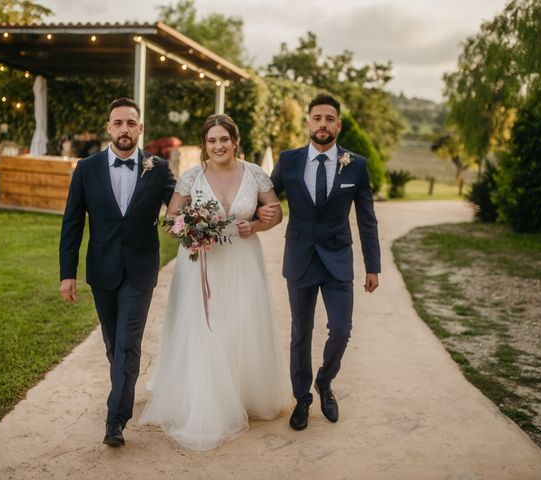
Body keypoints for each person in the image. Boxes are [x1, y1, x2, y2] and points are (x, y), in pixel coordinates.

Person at [139, 114, 290, 450]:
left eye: (224, 139)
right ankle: (205, 399)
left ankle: (241, 392)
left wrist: (258, 225)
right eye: (211, 141)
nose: (218, 146)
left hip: (242, 261)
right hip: (200, 265)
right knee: (203, 328)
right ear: (205, 145)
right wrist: (190, 231)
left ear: (235, 141)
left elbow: (275, 211)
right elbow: (170, 219)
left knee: (240, 324)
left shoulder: (255, 174)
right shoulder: (193, 176)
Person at [59, 97, 176, 447]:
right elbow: (72, 223)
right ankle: (121, 387)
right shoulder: (87, 168)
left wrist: (200, 222)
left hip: (140, 271)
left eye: (131, 123)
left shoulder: (159, 168)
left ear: (140, 128)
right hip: (103, 270)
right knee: (113, 343)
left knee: (128, 342)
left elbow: (180, 209)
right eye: (118, 123)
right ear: (109, 128)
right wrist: (68, 273)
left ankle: (116, 419)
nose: (125, 129)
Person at [267, 93, 381, 431]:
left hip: (337, 260)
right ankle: (302, 398)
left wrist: (373, 266)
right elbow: (265, 198)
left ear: (338, 125)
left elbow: (367, 218)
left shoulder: (356, 164)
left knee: (342, 330)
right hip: (300, 258)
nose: (323, 124)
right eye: (317, 118)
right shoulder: (288, 161)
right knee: (301, 333)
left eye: (329, 119)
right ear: (308, 124)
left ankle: (324, 381)